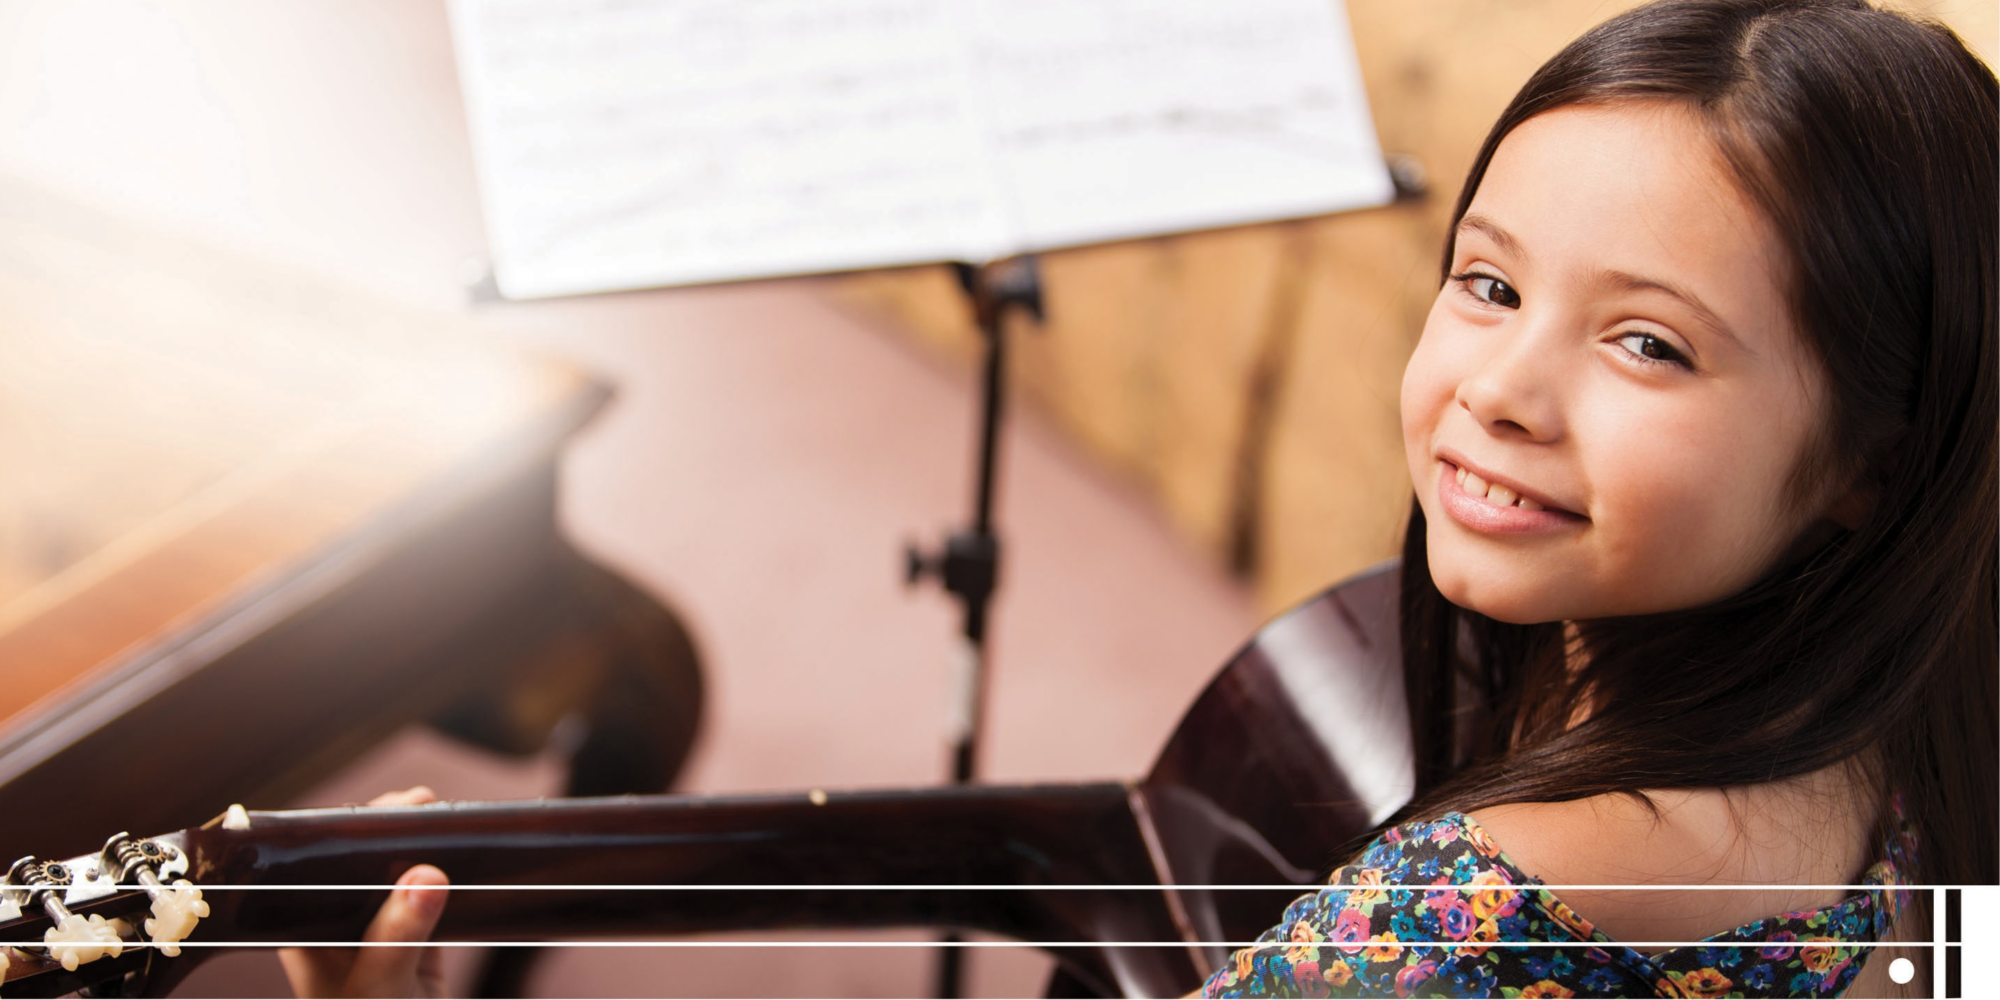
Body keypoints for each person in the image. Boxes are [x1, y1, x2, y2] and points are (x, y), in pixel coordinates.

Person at [288, 0, 1995, 996]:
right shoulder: (1925, 735)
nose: (1500, 389)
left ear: (1875, 457)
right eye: (1487, 284)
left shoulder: (1455, 914)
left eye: (1647, 343)